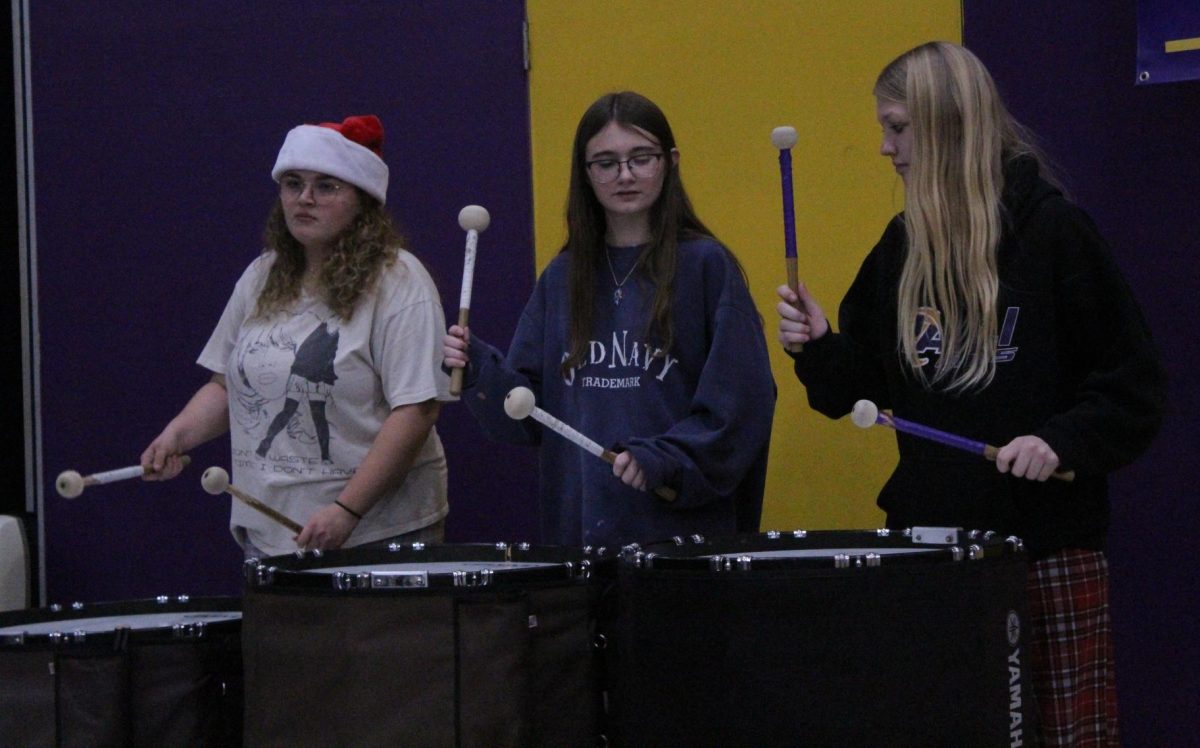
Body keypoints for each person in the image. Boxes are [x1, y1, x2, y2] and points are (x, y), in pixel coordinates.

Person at [776, 42, 1166, 746]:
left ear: (947, 125)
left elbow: (1133, 388)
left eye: (897, 128)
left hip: (1043, 554)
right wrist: (816, 343)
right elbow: (856, 388)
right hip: (931, 550)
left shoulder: (1053, 233)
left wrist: (1059, 441)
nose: (884, 148)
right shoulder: (904, 247)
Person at [443, 91, 775, 548]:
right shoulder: (562, 277)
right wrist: (478, 367)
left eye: (641, 158)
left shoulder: (706, 266)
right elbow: (524, 416)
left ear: (671, 161)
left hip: (680, 539)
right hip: (582, 535)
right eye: (606, 162)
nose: (625, 175)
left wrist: (665, 459)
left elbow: (742, 407)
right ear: (585, 172)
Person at [142, 115, 452, 558]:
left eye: (326, 186)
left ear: (362, 200)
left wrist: (347, 509)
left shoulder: (399, 281)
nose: (304, 199)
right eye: (292, 183)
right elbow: (226, 385)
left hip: (374, 532)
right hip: (269, 532)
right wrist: (178, 435)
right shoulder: (261, 276)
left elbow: (417, 410)